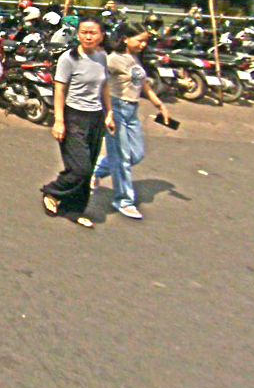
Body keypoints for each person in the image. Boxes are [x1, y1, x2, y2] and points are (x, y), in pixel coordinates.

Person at [41, 17, 115, 229]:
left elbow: (105, 87)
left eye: (93, 33)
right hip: (74, 116)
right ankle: (52, 191)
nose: (88, 36)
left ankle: (74, 210)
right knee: (80, 168)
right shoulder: (69, 58)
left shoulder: (102, 57)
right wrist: (59, 121)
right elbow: (59, 89)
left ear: (101, 35)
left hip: (96, 117)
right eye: (84, 32)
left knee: (88, 169)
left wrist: (109, 112)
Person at [92, 22, 169, 220]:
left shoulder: (135, 58)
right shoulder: (113, 59)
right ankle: (124, 200)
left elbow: (142, 83)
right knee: (122, 158)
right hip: (116, 108)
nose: (143, 45)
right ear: (125, 39)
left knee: (137, 154)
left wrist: (159, 104)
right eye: (140, 40)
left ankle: (96, 171)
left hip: (132, 111)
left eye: (146, 41)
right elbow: (98, 81)